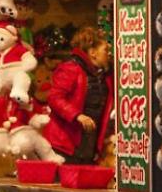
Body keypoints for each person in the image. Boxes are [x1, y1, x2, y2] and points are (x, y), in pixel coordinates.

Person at [43, 27, 114, 164]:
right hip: (66, 143)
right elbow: (55, 98)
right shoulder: (71, 69)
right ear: (93, 52)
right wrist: (77, 115)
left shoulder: (103, 75)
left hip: (88, 142)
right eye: (105, 50)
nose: (108, 54)